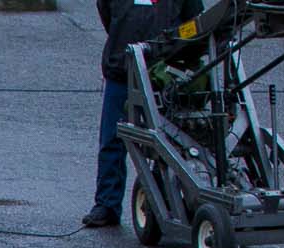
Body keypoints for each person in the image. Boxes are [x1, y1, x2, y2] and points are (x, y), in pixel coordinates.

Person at [86, 0, 201, 228]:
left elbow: (195, 20)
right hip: (122, 67)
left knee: (173, 140)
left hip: (165, 72)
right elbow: (107, 11)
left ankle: (177, 201)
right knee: (112, 139)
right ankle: (107, 204)